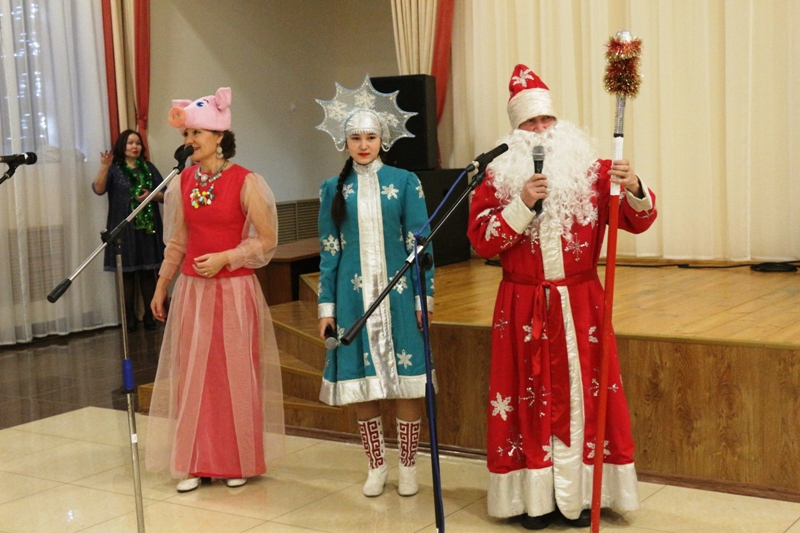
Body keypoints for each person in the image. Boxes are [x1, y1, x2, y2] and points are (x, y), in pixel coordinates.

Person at [467, 65, 657, 530]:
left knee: (586, 397)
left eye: (546, 119)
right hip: (522, 305)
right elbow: (483, 242)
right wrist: (521, 205)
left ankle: (585, 495)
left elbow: (637, 220)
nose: (540, 130)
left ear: (559, 122)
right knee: (525, 397)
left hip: (581, 304)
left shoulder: (593, 172)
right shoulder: (496, 177)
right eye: (529, 122)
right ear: (515, 131)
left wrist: (634, 186)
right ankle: (532, 500)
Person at [146, 87, 285, 493]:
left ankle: (236, 459)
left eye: (197, 133)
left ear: (219, 136)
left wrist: (228, 256)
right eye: (186, 134)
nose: (190, 141)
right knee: (193, 375)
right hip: (193, 291)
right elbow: (177, 241)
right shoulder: (182, 181)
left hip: (234, 292)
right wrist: (162, 285)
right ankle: (195, 461)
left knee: (233, 376)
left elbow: (267, 240)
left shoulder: (247, 182)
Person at [315, 76, 435, 498]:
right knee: (361, 382)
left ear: (383, 139)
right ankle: (376, 465)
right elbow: (329, 251)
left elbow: (420, 243)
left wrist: (423, 296)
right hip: (352, 300)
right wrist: (327, 308)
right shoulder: (332, 189)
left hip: (399, 298)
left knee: (407, 381)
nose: (363, 145)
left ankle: (408, 466)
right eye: (355, 138)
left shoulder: (405, 182)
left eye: (370, 137)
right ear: (344, 142)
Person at [92, 129, 164, 332]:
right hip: (123, 228)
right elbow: (98, 189)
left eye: (138, 143)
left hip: (147, 229)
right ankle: (129, 320)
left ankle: (150, 318)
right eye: (130, 143)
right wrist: (104, 167)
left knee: (149, 273)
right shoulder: (114, 169)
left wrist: (151, 196)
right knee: (127, 275)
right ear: (122, 146)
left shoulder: (149, 168)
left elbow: (166, 194)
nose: (135, 146)